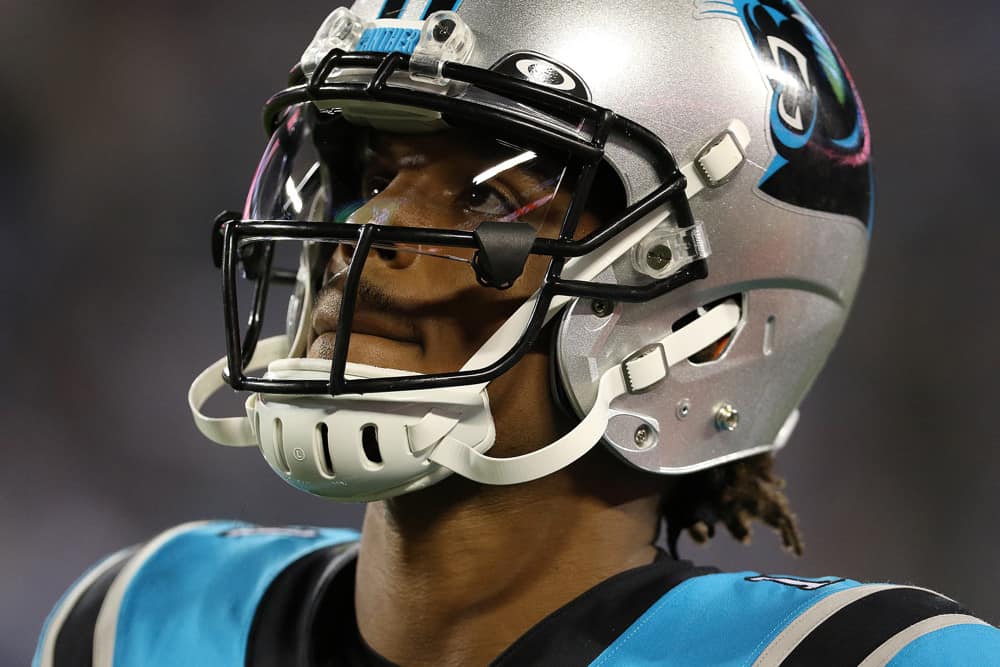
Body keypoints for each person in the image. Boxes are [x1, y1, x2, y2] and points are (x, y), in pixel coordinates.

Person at [34, 1, 1000, 665]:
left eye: (501, 193)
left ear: (706, 329)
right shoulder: (135, 622)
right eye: (372, 168)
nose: (366, 230)